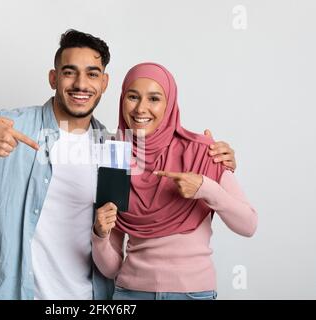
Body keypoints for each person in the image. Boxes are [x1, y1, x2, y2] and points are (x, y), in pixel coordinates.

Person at [0, 30, 236, 300]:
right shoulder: (7, 128)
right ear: (53, 77)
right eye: (69, 72)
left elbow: (124, 226)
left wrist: (212, 155)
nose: (80, 84)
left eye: (92, 74)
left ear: (104, 84)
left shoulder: (115, 150)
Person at [92, 62, 257, 300]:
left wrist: (205, 187)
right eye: (133, 96)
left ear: (169, 105)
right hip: (130, 293)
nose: (141, 108)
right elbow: (111, 267)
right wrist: (99, 234)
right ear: (122, 100)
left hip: (192, 293)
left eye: (154, 99)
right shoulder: (115, 157)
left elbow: (249, 224)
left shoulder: (203, 152)